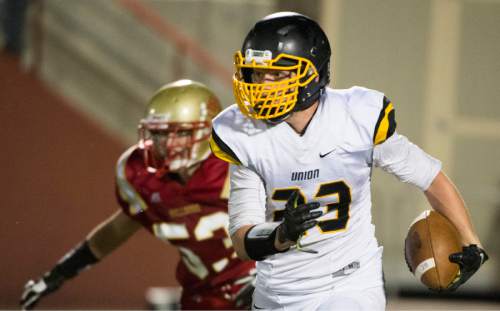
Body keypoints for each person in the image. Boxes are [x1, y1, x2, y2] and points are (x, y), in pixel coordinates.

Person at [209, 12, 488, 310]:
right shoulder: (243, 134)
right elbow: (242, 240)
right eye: (257, 73)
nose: (264, 85)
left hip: (349, 282)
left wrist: (472, 242)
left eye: (278, 74)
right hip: (279, 291)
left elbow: (429, 177)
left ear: (314, 73)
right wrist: (281, 235)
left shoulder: (356, 117)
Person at [20, 79, 256, 310]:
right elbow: (121, 227)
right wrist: (61, 273)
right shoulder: (146, 183)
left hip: (263, 282)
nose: (166, 144)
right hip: (206, 296)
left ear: (207, 131)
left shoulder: (236, 162)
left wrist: (272, 275)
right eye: (160, 135)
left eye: (180, 133)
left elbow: (288, 214)